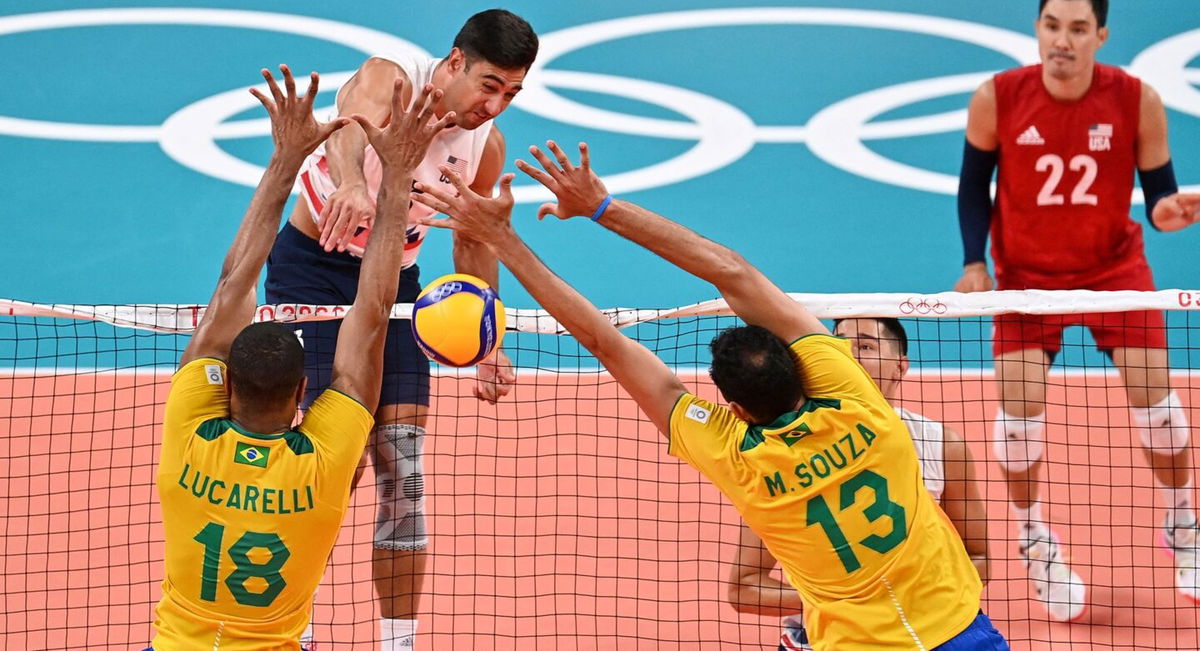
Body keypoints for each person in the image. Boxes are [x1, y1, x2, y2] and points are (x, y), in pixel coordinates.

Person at [414, 142, 1008, 650]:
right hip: (962, 630)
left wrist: (505, 242)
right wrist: (600, 206)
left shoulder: (739, 458)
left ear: (735, 410)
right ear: (805, 370)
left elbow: (604, 342)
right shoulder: (860, 402)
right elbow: (732, 271)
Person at [150, 67, 451, 650]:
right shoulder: (322, 465)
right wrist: (395, 178)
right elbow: (375, 307)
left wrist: (286, 159)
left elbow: (231, 286)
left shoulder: (190, 435)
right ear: (301, 400)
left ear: (225, 385)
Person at [264, 9, 535, 648]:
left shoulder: (484, 147)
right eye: (489, 85)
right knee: (327, 471)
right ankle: (288, 629)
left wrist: (490, 339)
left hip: (395, 289)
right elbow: (346, 132)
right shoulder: (390, 79)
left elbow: (473, 241)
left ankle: (399, 642)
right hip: (313, 279)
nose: (494, 105)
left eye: (512, 94)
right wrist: (354, 183)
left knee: (402, 474)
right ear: (454, 62)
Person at [953, 0, 1200, 619]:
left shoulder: (1137, 99)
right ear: (1038, 28)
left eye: (1078, 29)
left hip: (1114, 270)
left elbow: (1160, 200)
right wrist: (974, 262)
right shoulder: (997, 99)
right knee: (1016, 423)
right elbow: (973, 188)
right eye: (1053, 26)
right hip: (1028, 278)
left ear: (1101, 36)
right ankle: (1035, 540)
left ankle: (1183, 525)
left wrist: (1173, 211)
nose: (1063, 41)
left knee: (1161, 410)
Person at [727, 317, 990, 651]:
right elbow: (744, 587)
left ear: (900, 366)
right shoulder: (776, 456)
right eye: (838, 342)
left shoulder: (941, 445)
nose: (848, 353)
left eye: (865, 346)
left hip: (929, 634)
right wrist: (847, 605)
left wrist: (915, 600)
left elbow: (979, 558)